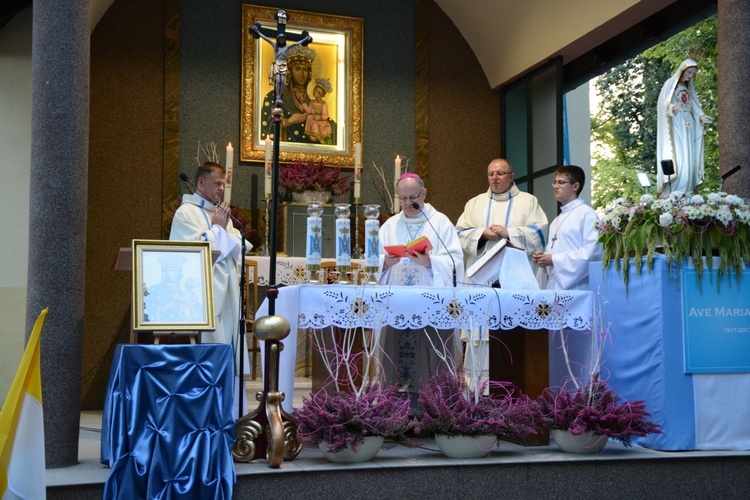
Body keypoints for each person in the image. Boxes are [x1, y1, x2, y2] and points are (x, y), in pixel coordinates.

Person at [170, 162, 251, 413]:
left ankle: (233, 412)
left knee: (229, 351)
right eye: (216, 184)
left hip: (227, 295)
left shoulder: (221, 214)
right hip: (202, 297)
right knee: (208, 352)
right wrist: (216, 228)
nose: (221, 189)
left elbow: (239, 244)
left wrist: (221, 230)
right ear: (201, 183)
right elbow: (191, 255)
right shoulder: (186, 213)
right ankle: (205, 410)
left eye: (223, 184)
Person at [378, 173, 464, 393]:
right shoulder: (389, 225)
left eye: (413, 197)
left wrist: (430, 262)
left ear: (424, 194)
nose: (407, 204)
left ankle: (434, 402)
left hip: (431, 304)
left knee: (432, 356)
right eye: (402, 198)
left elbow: (455, 260)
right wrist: (384, 263)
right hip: (397, 304)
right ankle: (394, 402)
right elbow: (373, 260)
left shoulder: (440, 223)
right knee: (396, 358)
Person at [532, 165, 602, 389]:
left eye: (560, 182)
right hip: (556, 291)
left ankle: (580, 393)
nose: (555, 186)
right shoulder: (557, 220)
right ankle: (557, 395)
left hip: (577, 291)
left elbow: (592, 253)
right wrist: (543, 259)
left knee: (576, 351)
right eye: (554, 182)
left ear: (575, 186)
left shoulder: (587, 215)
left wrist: (555, 260)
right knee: (557, 351)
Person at [456, 158, 548, 275]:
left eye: (500, 173)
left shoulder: (528, 201)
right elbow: (460, 233)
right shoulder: (474, 203)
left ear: (511, 176)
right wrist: (483, 234)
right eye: (491, 174)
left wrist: (509, 233)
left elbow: (539, 232)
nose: (495, 177)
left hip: (516, 273)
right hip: (481, 274)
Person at [656, 58, 713, 197]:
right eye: (689, 72)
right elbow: (663, 106)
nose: (690, 76)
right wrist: (674, 107)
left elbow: (694, 106)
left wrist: (700, 117)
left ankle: (687, 188)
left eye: (693, 74)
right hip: (675, 126)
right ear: (682, 70)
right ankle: (676, 189)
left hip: (689, 126)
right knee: (679, 156)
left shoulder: (688, 88)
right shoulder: (670, 84)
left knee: (689, 156)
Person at [259, 44, 338, 145]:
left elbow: (325, 119)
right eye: (297, 69)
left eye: (305, 70)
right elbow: (265, 125)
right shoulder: (275, 96)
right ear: (290, 71)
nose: (302, 74)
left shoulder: (315, 97)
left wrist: (329, 126)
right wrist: (288, 122)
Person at [303, 78, 334, 144]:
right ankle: (313, 135)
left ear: (322, 95)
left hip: (321, 122)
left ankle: (316, 136)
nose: (315, 92)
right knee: (310, 118)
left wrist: (319, 117)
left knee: (315, 124)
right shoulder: (312, 102)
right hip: (313, 119)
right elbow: (310, 111)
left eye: (318, 92)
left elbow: (326, 116)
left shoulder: (323, 104)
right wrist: (304, 105)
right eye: (315, 90)